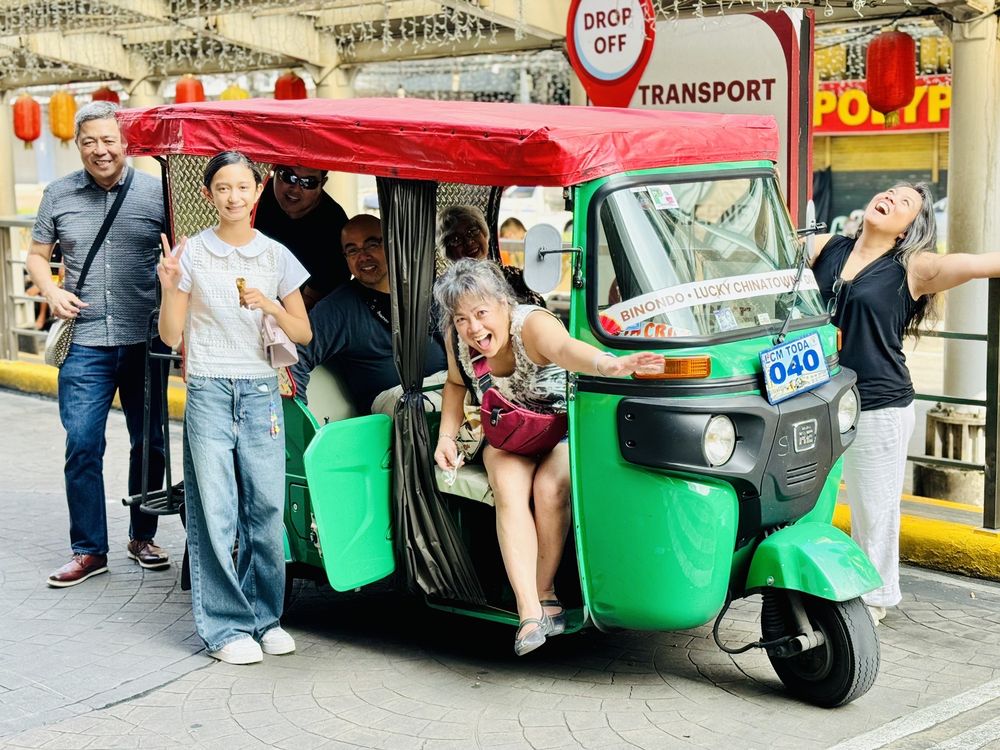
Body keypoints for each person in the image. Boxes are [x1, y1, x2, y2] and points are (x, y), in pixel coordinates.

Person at [432, 259, 662, 656]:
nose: (473, 328)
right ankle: (529, 613)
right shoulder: (458, 340)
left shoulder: (531, 325)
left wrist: (610, 364)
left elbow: (567, 350)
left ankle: (546, 592)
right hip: (509, 431)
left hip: (562, 429)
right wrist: (445, 437)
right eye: (461, 318)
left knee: (549, 487)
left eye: (481, 313)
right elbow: (455, 384)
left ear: (503, 303)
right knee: (508, 487)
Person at [811, 182, 1000, 625]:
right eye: (890, 192)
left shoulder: (914, 267)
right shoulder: (826, 247)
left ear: (907, 228)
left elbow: (978, 264)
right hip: (816, 399)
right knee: (806, 497)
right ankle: (815, 583)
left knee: (874, 508)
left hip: (879, 404)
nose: (890, 198)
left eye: (904, 202)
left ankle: (874, 597)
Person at [157, 151, 312, 665]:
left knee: (266, 511)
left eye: (243, 187)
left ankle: (266, 619)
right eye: (223, 187)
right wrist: (169, 286)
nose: (233, 196)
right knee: (216, 513)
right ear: (208, 194)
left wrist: (269, 304)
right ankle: (225, 628)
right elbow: (171, 335)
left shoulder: (276, 255)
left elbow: (302, 332)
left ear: (258, 190)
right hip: (208, 390)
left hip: (262, 391)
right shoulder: (192, 254)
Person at [26, 100, 171, 588]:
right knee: (83, 443)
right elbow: (36, 254)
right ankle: (89, 549)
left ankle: (142, 536)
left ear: (125, 142)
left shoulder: (157, 193)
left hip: (146, 338)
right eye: (89, 141)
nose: (100, 150)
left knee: (150, 443)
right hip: (85, 340)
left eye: (109, 139)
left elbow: (185, 255)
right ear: (77, 144)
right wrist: (50, 291)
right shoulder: (58, 193)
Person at [291, 214, 447, 415]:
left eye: (372, 245)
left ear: (391, 245)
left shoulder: (424, 290)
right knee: (422, 405)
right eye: (352, 250)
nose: (363, 256)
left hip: (444, 385)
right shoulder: (338, 308)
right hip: (394, 403)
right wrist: (299, 420)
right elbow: (295, 356)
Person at [253, 164, 350, 310]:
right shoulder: (254, 199)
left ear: (322, 184)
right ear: (273, 171)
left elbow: (310, 300)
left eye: (308, 182)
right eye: (288, 177)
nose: (296, 189)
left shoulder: (334, 226)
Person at [437, 204, 544, 307]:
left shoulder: (514, 277)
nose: (468, 242)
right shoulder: (446, 290)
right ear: (448, 250)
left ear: (484, 233)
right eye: (456, 239)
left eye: (472, 231)